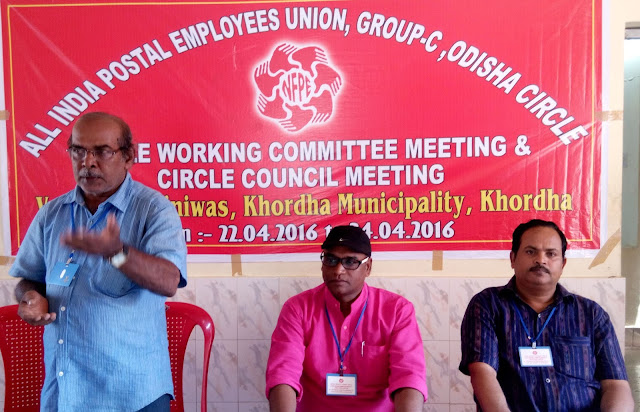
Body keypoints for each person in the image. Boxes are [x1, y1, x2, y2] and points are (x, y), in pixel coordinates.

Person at [9, 112, 187, 411]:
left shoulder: (154, 210)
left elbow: (169, 281)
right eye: (78, 150)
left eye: (102, 151)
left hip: (132, 396)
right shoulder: (52, 214)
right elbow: (29, 277)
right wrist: (30, 296)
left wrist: (117, 253)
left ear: (128, 157)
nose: (87, 162)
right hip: (66, 392)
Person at [459, 219, 634, 411]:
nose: (541, 260)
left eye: (551, 254)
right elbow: (482, 371)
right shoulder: (488, 304)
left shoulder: (591, 314)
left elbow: (616, 384)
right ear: (513, 258)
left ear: (563, 263)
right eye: (530, 251)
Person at [265, 225, 428, 412]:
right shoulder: (297, 309)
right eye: (331, 259)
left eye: (350, 261)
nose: (338, 270)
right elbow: (283, 373)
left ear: (368, 267)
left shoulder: (397, 311)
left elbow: (409, 376)